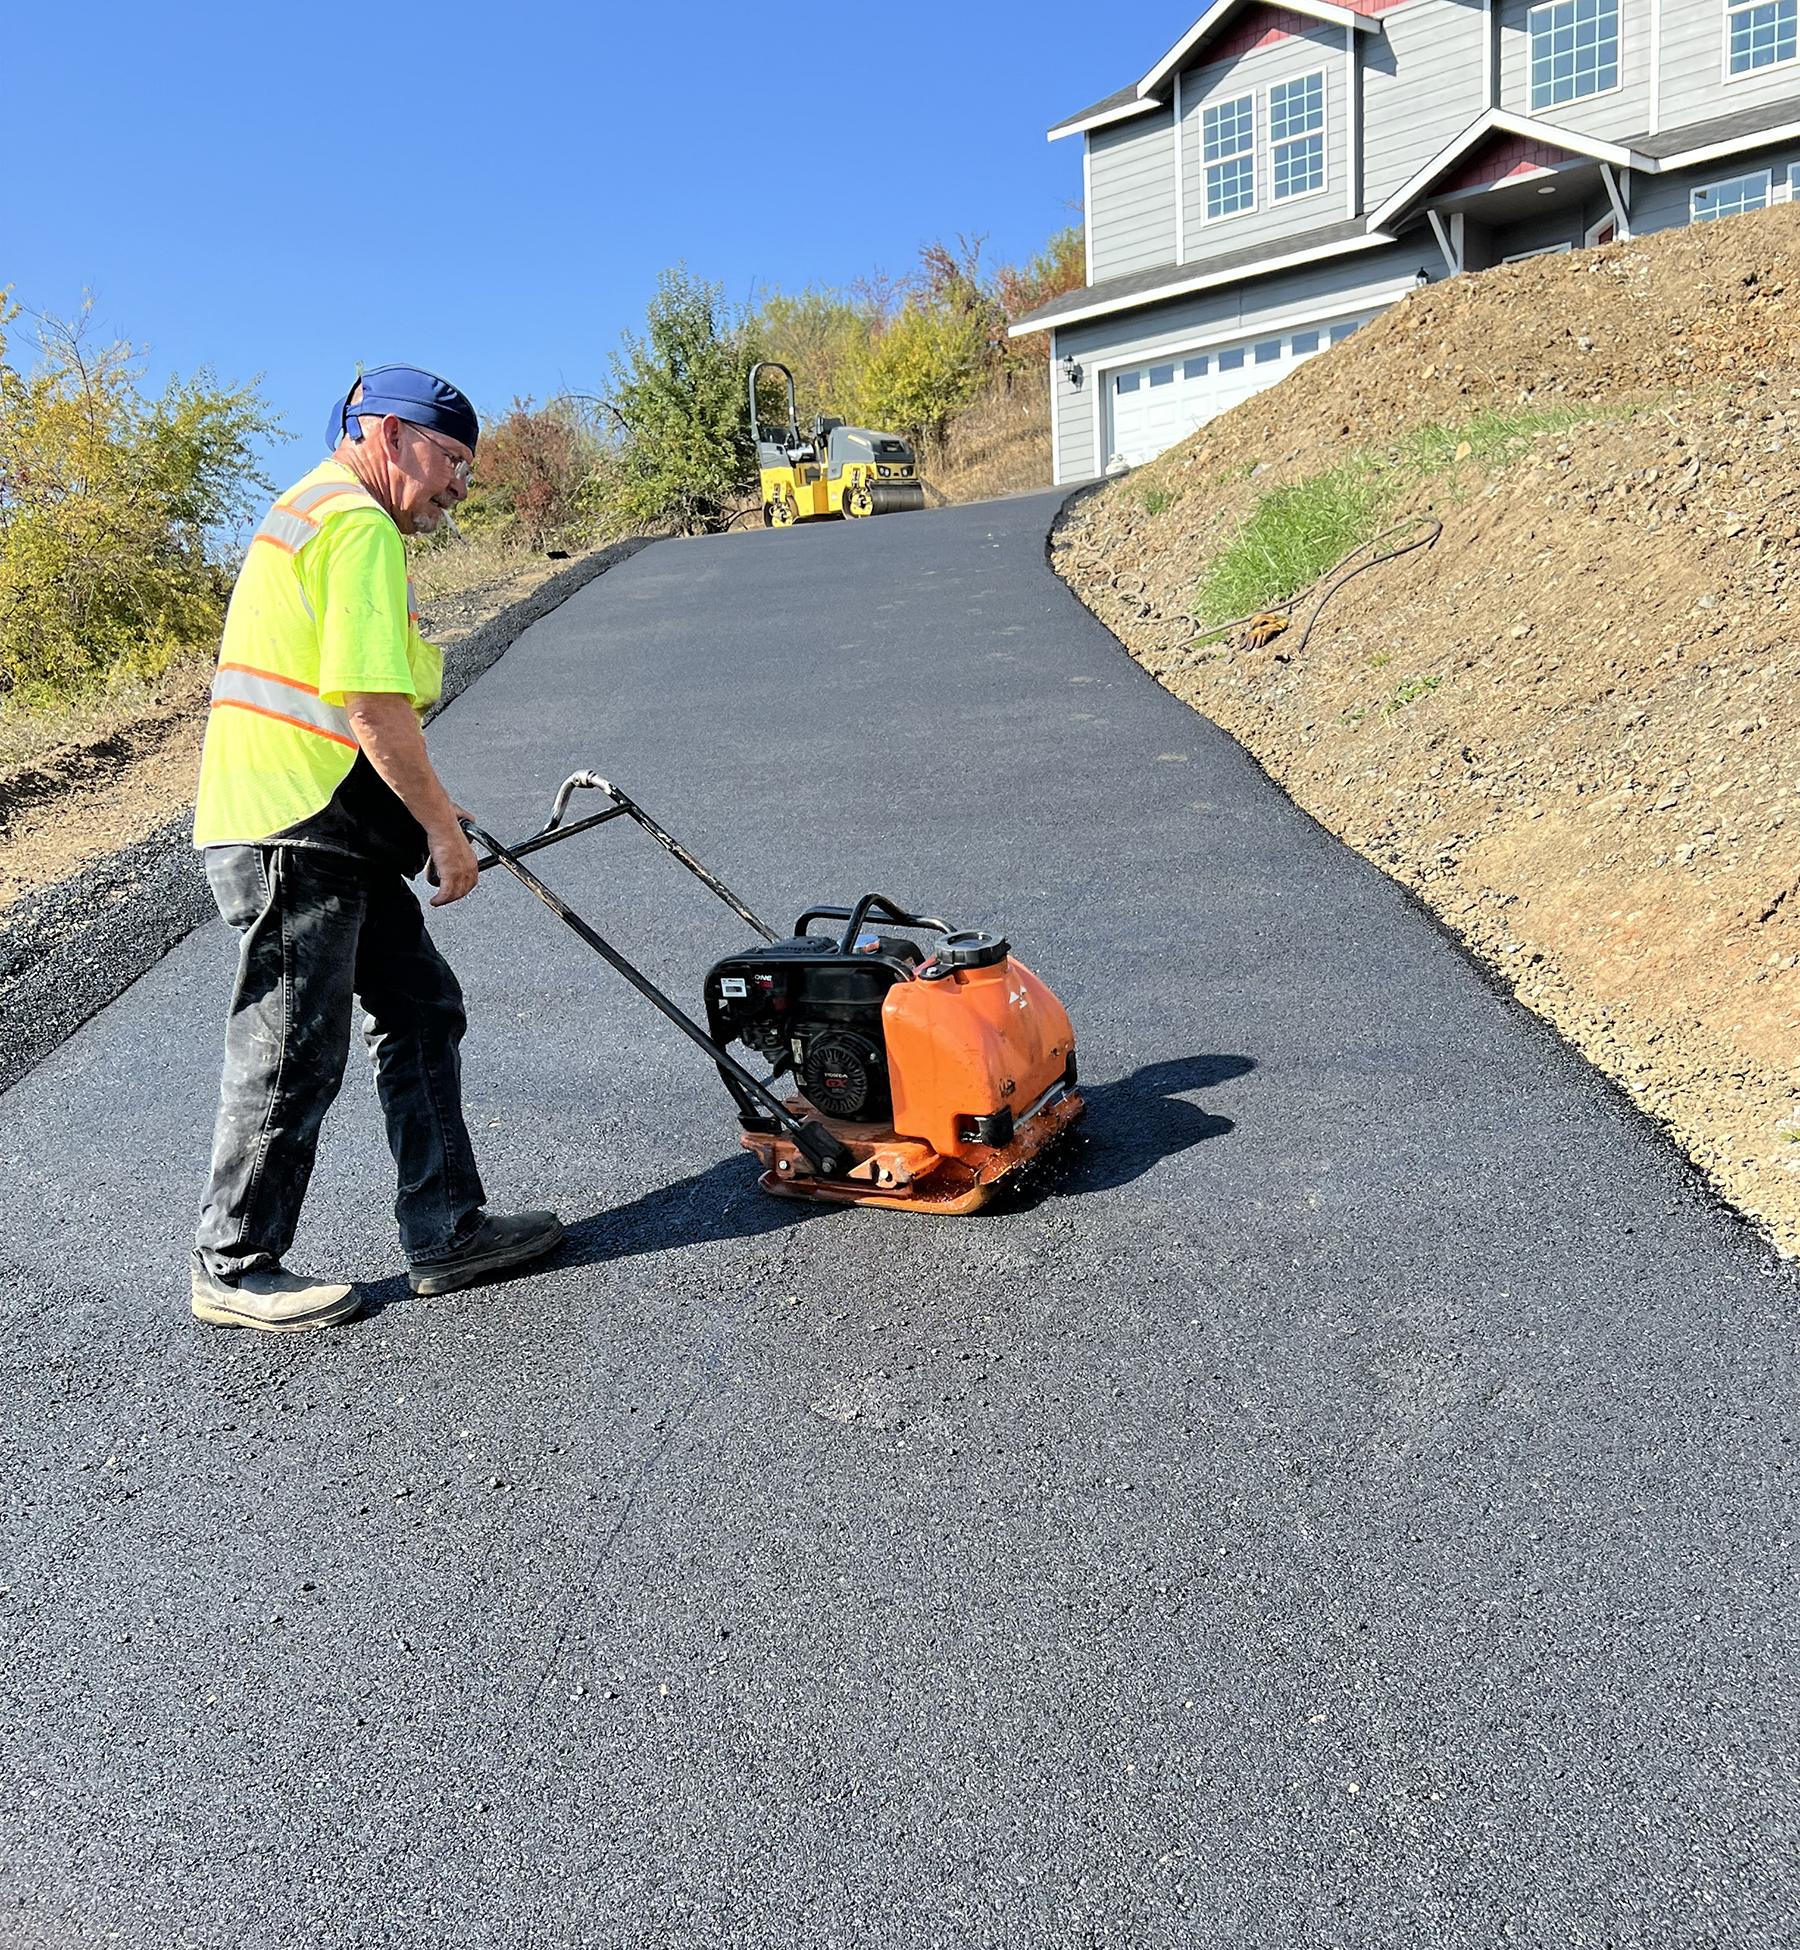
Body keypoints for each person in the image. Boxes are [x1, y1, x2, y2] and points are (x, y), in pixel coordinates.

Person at [188, 365, 564, 1332]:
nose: (457, 487)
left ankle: (446, 1230)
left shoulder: (316, 515)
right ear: (390, 435)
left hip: (329, 822)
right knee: (291, 1049)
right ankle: (233, 1263)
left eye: (470, 474)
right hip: (292, 828)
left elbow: (345, 712)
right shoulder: (352, 521)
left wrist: (426, 806)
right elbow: (369, 702)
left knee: (420, 1003)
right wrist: (440, 831)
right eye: (450, 462)